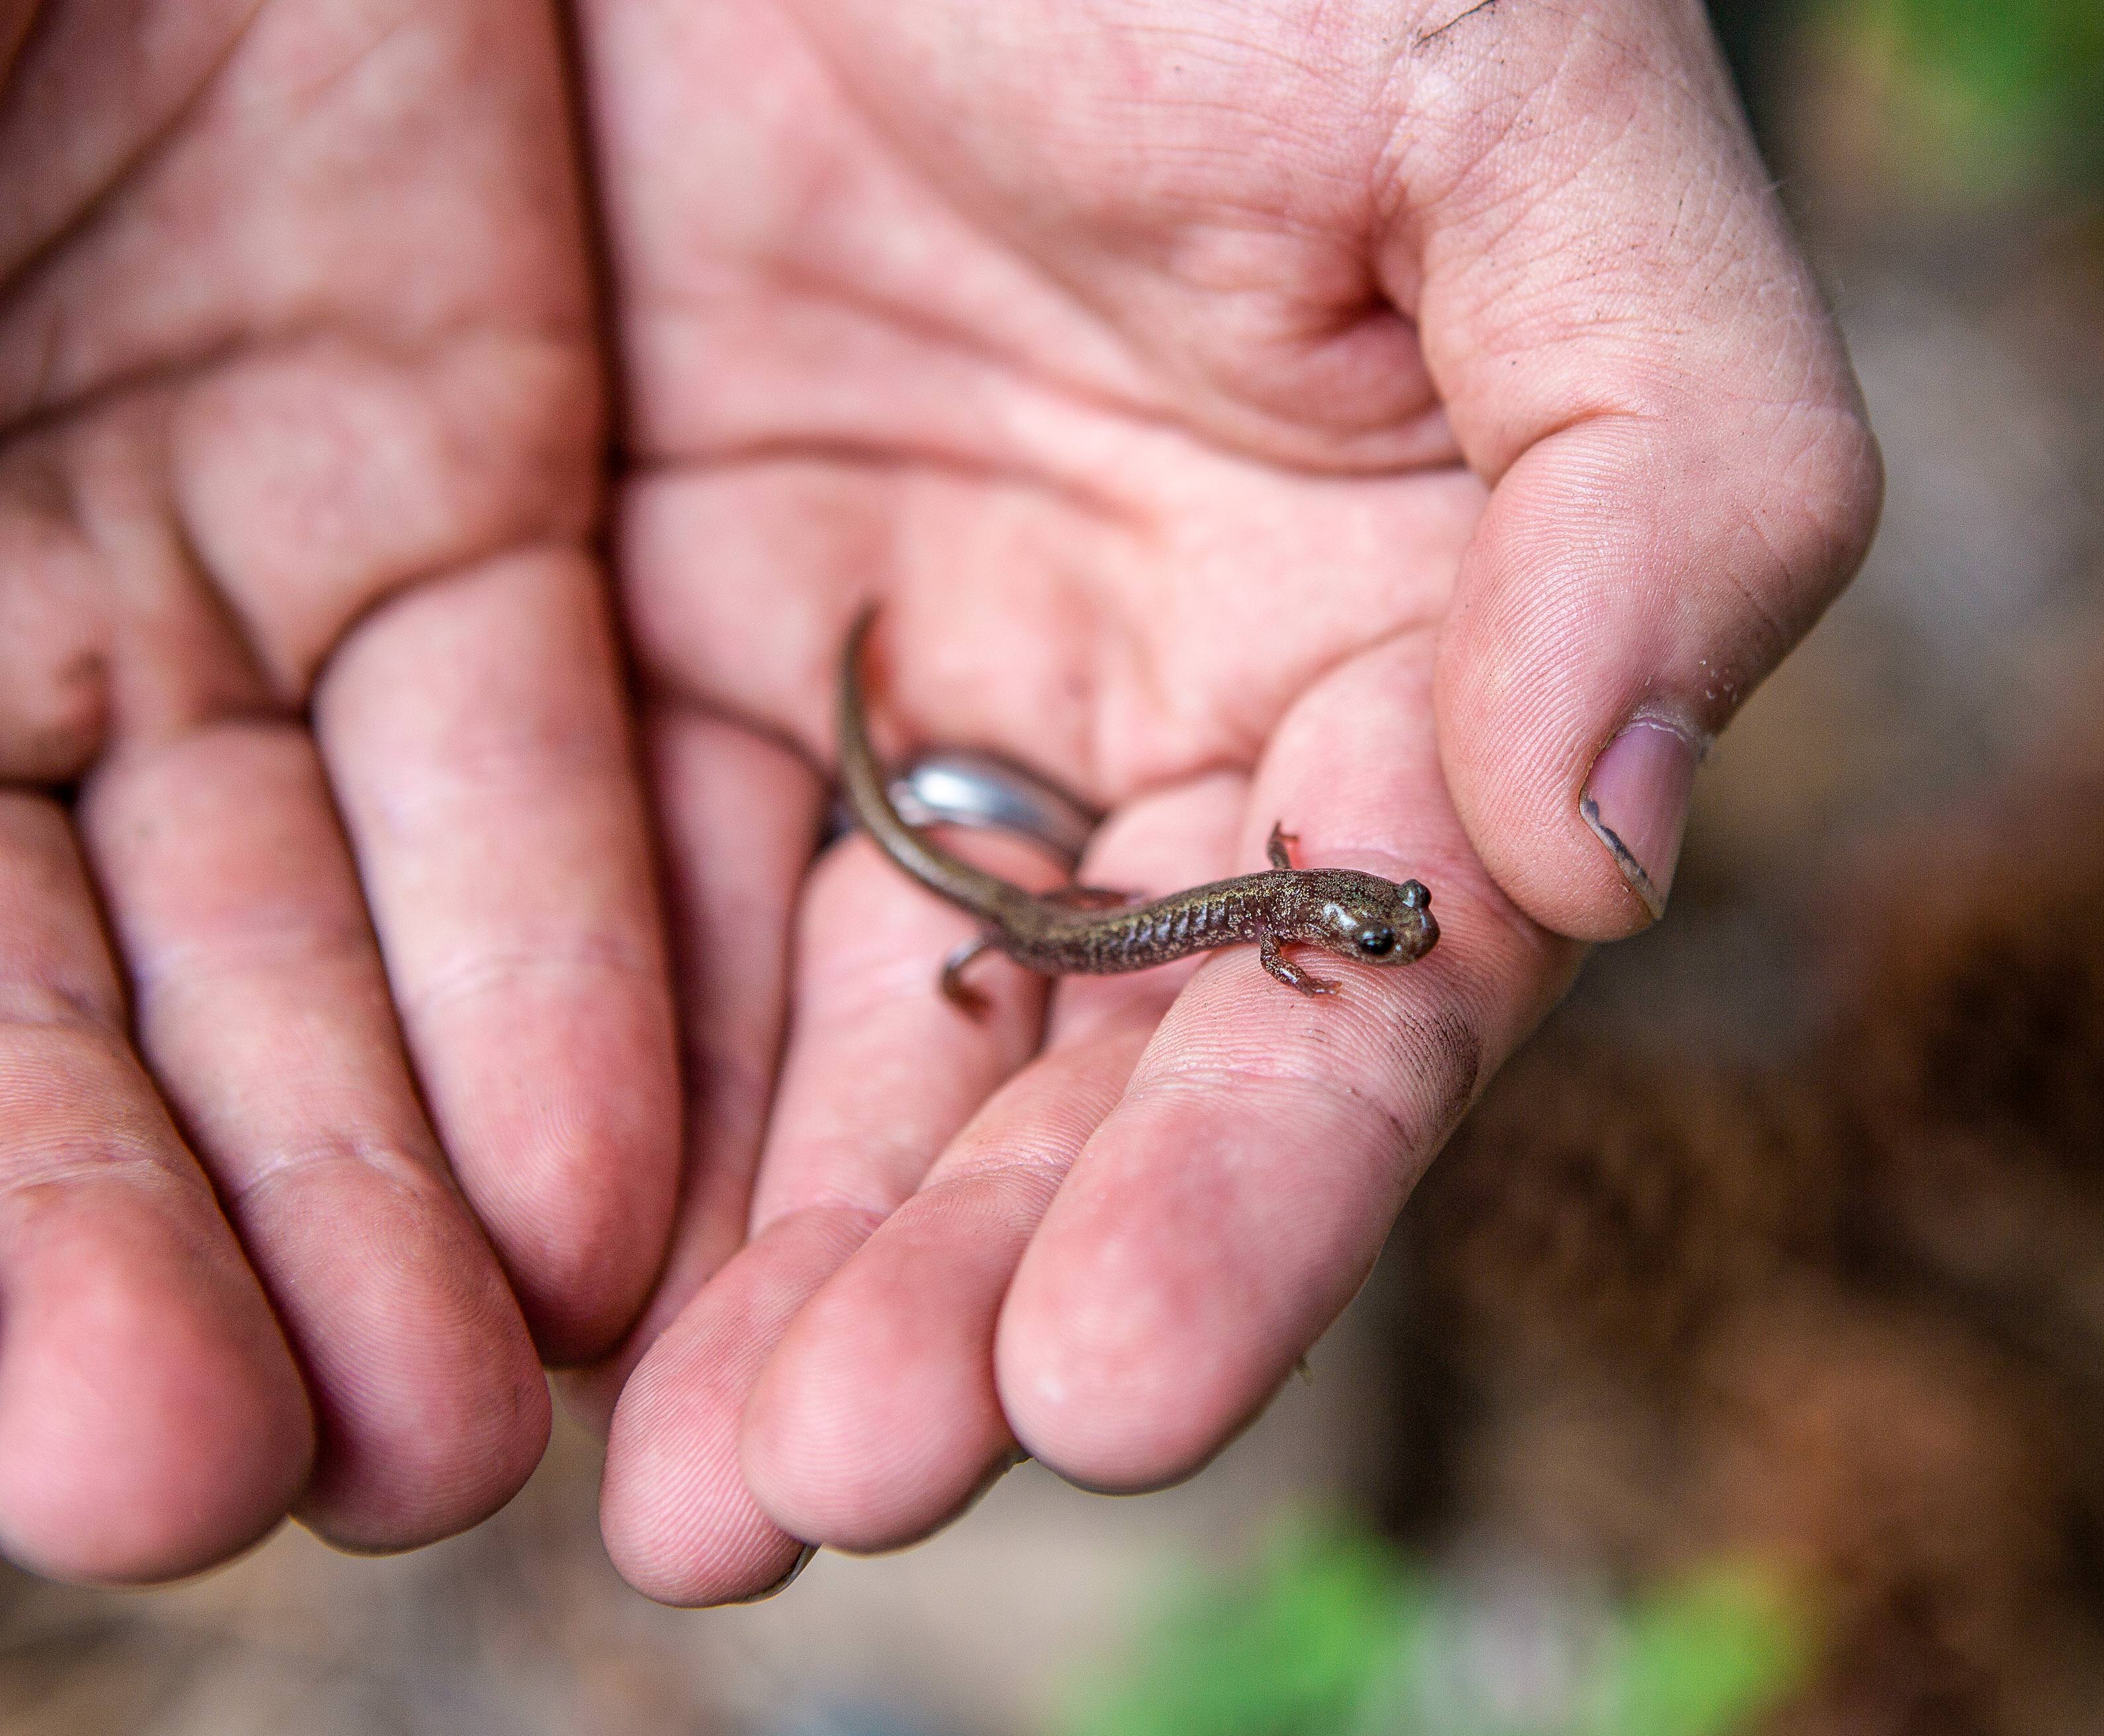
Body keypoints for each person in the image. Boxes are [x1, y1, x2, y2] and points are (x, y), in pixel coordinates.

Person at [0, 0, 1878, 1602]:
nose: (1373, 932)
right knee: (988, 995)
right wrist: (1056, 948)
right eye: (1375, 923)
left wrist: (1276, 917)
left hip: (1067, 909)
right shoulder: (1281, 920)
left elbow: (1277, 905)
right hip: (1028, 924)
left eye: (1373, 930)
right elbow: (1272, 914)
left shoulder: (1282, 908)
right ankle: (933, 903)